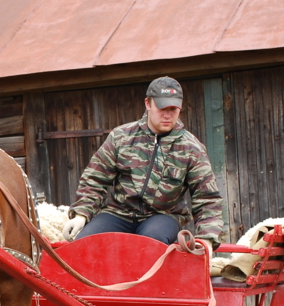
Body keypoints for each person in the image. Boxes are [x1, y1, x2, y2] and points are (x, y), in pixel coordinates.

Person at [63, 77, 223, 248]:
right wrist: (81, 214)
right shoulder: (121, 137)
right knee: (85, 244)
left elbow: (207, 197)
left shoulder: (191, 148)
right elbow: (95, 178)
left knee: (149, 244)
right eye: (162, 108)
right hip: (118, 213)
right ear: (148, 104)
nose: (167, 115)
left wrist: (207, 238)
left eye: (173, 109)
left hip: (163, 217)